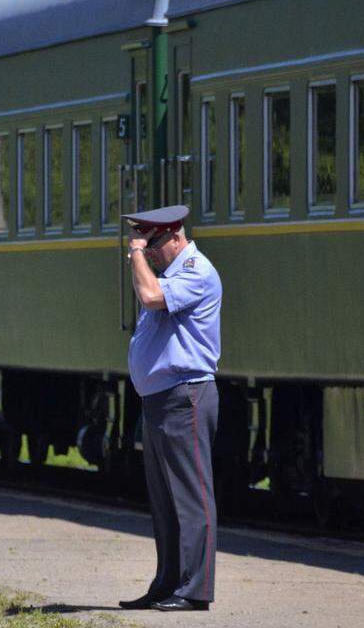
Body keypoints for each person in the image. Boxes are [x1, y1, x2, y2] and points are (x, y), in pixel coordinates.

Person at [118, 205, 222, 613]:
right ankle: (167, 582)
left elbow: (149, 297)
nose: (149, 252)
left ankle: (195, 589)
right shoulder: (170, 273)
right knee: (164, 500)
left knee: (191, 496)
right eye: (145, 244)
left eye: (153, 243)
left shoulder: (196, 271)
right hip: (160, 398)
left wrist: (136, 256)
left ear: (175, 235)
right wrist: (142, 255)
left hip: (186, 397)